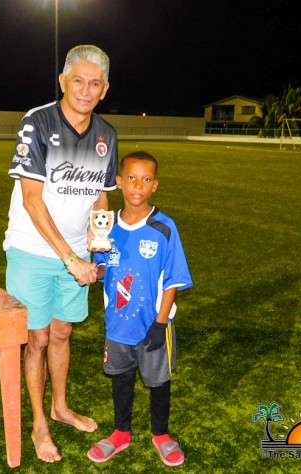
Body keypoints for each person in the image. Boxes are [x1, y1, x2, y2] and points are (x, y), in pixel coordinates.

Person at [3, 44, 118, 462]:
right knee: (37, 338)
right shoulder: (37, 122)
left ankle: (60, 407)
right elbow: (32, 200)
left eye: (94, 83)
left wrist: (98, 238)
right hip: (33, 250)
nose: (85, 90)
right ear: (63, 81)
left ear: (104, 89)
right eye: (78, 80)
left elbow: (102, 197)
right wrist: (70, 258)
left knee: (63, 332)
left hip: (78, 255)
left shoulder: (107, 135)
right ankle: (39, 423)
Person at [88, 151, 193, 466]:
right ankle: (121, 432)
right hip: (117, 323)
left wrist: (160, 324)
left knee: (158, 381)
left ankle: (161, 434)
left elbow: (173, 280)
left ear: (155, 185)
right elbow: (103, 268)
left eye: (146, 179)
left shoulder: (164, 227)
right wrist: (93, 270)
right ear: (120, 182)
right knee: (121, 378)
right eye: (132, 178)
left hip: (153, 325)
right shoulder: (107, 227)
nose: (138, 186)